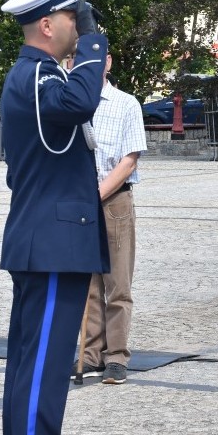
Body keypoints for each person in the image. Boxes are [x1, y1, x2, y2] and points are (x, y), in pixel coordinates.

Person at [0, 0, 108, 435]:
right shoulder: (39, 78)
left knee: (31, 365)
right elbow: (82, 101)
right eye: (71, 17)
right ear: (48, 25)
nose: (78, 26)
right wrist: (94, 40)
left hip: (48, 241)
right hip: (51, 244)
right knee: (41, 365)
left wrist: (82, 42)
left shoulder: (39, 75)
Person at [70, 54, 147, 384]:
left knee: (117, 283)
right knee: (87, 285)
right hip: (79, 202)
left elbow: (129, 160)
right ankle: (90, 353)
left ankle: (116, 356)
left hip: (114, 199)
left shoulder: (126, 104)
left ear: (108, 62)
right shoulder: (70, 104)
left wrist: (97, 193)